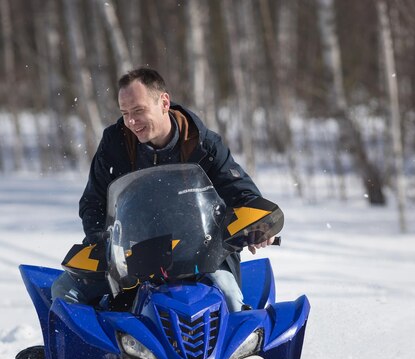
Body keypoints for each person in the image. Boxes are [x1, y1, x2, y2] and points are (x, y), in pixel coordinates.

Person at [52, 67, 275, 311]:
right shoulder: (115, 143)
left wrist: (259, 225)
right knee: (65, 292)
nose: (131, 122)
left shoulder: (203, 145)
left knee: (230, 300)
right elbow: (92, 204)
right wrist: (105, 244)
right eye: (125, 113)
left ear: (164, 102)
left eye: (138, 111)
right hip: (132, 254)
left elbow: (241, 192)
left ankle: (239, 349)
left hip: (203, 251)